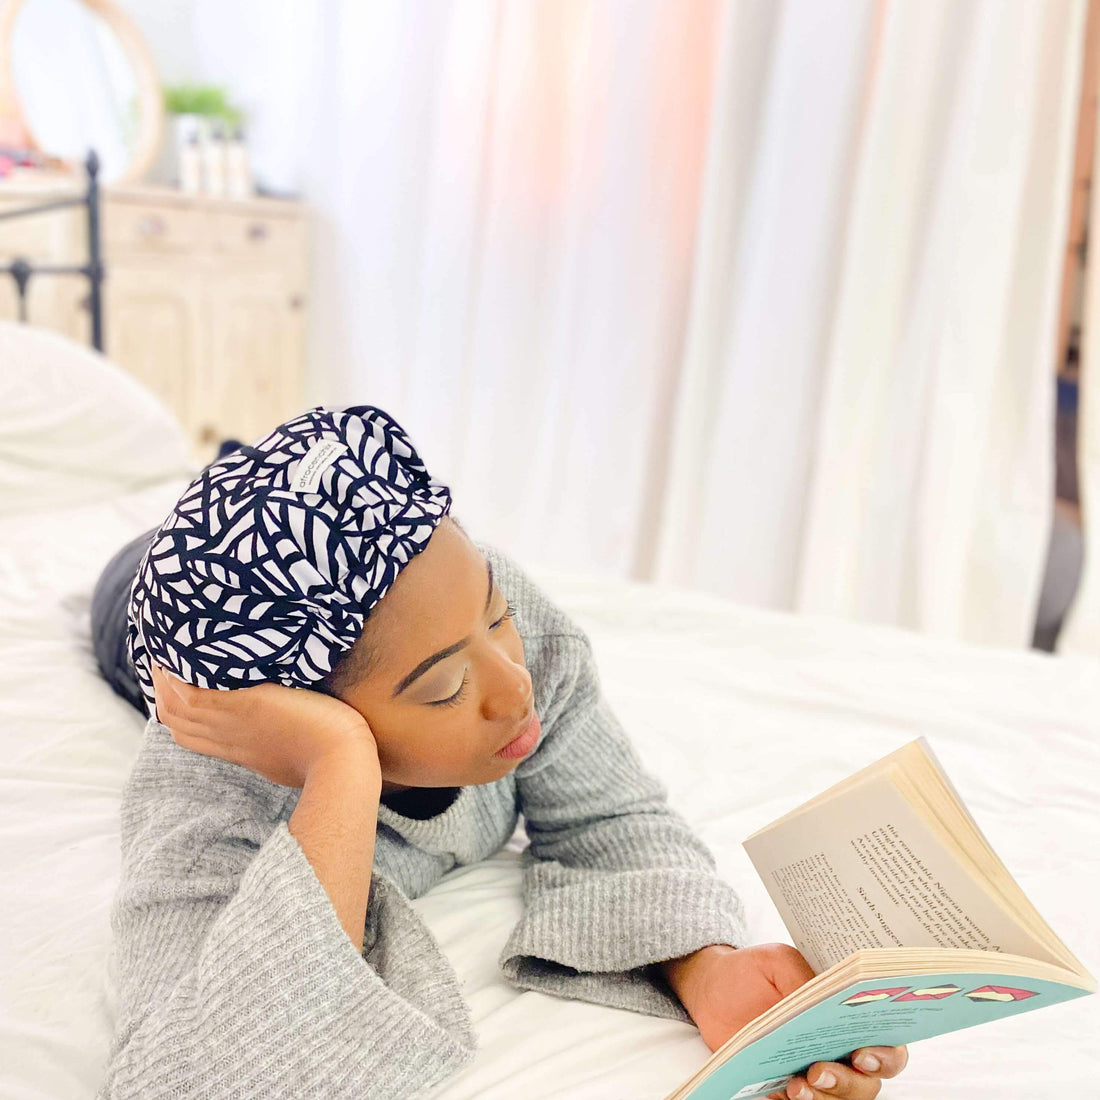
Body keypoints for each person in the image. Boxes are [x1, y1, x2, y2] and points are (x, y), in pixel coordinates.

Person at [94, 404, 909, 1100]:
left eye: (495, 612)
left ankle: (239, 468)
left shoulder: (507, 629)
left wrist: (706, 965)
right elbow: (193, 1071)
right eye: (444, 688)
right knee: (140, 569)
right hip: (133, 602)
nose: (514, 684)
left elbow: (609, 816)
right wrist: (338, 764)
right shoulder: (209, 779)